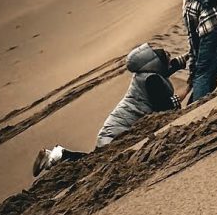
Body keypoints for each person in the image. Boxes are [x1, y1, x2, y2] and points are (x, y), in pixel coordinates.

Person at [32, 43, 187, 176]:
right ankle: (56, 157)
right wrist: (190, 87)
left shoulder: (146, 75)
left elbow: (168, 68)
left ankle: (54, 155)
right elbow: (165, 106)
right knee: (93, 165)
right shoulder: (151, 80)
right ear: (155, 64)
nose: (169, 60)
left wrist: (188, 56)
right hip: (116, 133)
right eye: (165, 58)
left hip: (114, 128)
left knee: (92, 160)